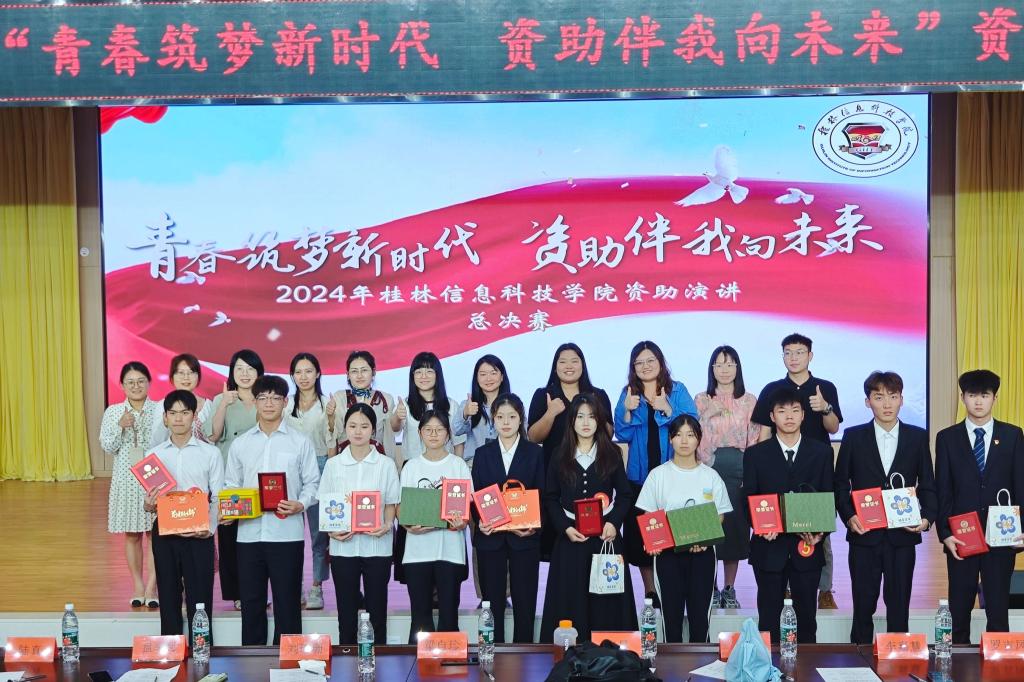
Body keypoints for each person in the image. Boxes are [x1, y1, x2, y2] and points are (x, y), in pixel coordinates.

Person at [834, 371, 936, 644]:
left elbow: (928, 484)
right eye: (879, 397)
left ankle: (899, 660)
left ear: (902, 399)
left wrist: (926, 519)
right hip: (864, 536)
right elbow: (840, 484)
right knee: (862, 606)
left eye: (893, 396)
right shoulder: (854, 436)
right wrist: (849, 516)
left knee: (899, 606)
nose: (887, 404)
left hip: (902, 537)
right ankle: (859, 659)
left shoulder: (917, 437)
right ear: (868, 402)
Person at [222, 375, 320, 646]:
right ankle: (252, 660)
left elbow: (313, 483)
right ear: (254, 402)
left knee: (287, 603)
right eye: (263, 398)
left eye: (275, 398)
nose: (268, 403)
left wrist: (301, 503)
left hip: (286, 534)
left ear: (285, 402)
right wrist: (232, 507)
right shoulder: (241, 444)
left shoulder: (300, 442)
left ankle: (289, 661)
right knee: (251, 602)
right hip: (249, 535)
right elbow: (231, 485)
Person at [751, 333, 842, 609]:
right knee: (778, 531)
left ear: (810, 356)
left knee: (817, 535)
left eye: (799, 352)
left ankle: (824, 590)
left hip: (814, 469)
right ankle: (786, 588)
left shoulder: (825, 387)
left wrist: (824, 407)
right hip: (779, 467)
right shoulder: (772, 389)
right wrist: (760, 464)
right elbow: (764, 433)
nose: (794, 358)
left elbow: (833, 428)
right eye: (788, 353)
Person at [935, 369, 1024, 644]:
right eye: (972, 395)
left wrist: (1022, 529)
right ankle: (955, 662)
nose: (978, 401)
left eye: (984, 395)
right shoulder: (947, 438)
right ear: (962, 397)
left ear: (995, 398)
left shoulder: (1013, 435)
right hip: (962, 537)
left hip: (1002, 537)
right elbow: (943, 490)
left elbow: (1020, 485)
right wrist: (945, 533)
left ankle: (999, 663)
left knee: (998, 610)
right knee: (959, 608)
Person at [541, 394, 638, 642]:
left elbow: (625, 495)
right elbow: (550, 497)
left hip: (605, 538)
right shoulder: (559, 454)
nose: (586, 423)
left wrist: (613, 523)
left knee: (607, 602)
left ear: (600, 421)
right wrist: (564, 528)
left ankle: (609, 653)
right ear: (571, 421)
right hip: (570, 538)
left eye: (592, 417)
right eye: (580, 416)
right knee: (570, 600)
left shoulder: (612, 453)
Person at [744, 388, 834, 643]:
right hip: (769, 548)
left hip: (806, 546)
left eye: (795, 410)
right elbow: (748, 498)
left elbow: (828, 495)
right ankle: (767, 666)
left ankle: (806, 666)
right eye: (782, 411)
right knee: (768, 619)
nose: (789, 416)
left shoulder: (821, 452)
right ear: (772, 417)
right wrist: (760, 526)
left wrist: (821, 532)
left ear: (804, 415)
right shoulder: (756, 454)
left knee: (806, 621)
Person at [613, 340, 697, 605]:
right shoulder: (629, 393)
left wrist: (667, 408)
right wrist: (627, 409)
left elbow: (692, 425)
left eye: (650, 360)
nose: (645, 366)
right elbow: (622, 433)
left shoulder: (677, 390)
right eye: (639, 362)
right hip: (639, 478)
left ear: (661, 362)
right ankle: (651, 591)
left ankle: (675, 588)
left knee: (674, 534)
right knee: (641, 538)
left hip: (674, 476)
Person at [636, 414, 732, 643]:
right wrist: (653, 541)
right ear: (670, 439)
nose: (685, 441)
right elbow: (649, 516)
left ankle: (703, 665)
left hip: (702, 555)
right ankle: (672, 665)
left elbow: (720, 515)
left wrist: (703, 538)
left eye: (690, 435)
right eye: (678, 435)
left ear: (699, 439)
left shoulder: (711, 476)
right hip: (668, 556)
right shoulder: (658, 475)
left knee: (700, 621)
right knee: (671, 620)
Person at [144, 390, 223, 642]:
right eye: (173, 413)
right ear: (165, 418)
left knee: (201, 598)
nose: (179, 418)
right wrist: (148, 505)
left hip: (199, 534)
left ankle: (202, 650)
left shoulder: (210, 453)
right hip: (165, 533)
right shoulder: (153, 456)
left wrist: (209, 529)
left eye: (185, 413)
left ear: (194, 416)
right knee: (168, 595)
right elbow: (148, 501)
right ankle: (171, 650)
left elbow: (218, 497)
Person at [319, 403, 400, 645]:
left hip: (378, 547)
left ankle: (379, 658)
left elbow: (391, 502)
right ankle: (346, 657)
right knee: (346, 612)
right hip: (343, 548)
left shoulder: (385, 464)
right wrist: (331, 531)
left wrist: (387, 524)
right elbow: (326, 503)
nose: (358, 431)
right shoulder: (334, 464)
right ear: (345, 428)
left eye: (364, 426)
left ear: (373, 430)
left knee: (377, 610)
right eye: (352, 426)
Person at [527, 343, 613, 561]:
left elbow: (609, 434)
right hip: (556, 477)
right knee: (558, 543)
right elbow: (533, 437)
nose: (569, 366)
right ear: (555, 366)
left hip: (593, 475)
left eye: (574, 361)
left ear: (582, 365)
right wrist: (551, 413)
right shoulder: (544, 395)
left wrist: (595, 411)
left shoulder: (598, 394)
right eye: (563, 361)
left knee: (592, 540)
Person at [472, 393, 546, 643]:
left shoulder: (534, 453)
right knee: (492, 603)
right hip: (491, 539)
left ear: (521, 419)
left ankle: (524, 651)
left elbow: (542, 494)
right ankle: (493, 652)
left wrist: (533, 526)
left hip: (524, 537)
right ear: (493, 419)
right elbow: (477, 496)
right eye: (500, 417)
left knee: (525, 600)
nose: (506, 422)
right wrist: (481, 521)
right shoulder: (483, 454)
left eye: (512, 417)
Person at [694, 345, 759, 610]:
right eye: (719, 364)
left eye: (730, 364)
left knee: (734, 526)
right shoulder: (702, 399)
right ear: (712, 369)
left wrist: (749, 472)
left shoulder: (749, 400)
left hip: (739, 467)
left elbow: (754, 437)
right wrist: (707, 414)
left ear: (737, 368)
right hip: (707, 465)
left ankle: (730, 588)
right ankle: (710, 588)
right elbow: (693, 434)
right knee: (709, 526)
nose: (724, 369)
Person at [400, 410, 473, 642]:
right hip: (417, 552)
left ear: (448, 434)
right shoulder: (411, 466)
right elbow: (402, 507)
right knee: (420, 618)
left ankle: (450, 661)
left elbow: (467, 506)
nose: (434, 434)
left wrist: (462, 521)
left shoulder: (458, 465)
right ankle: (418, 661)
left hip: (450, 551)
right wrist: (408, 525)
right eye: (428, 430)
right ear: (420, 433)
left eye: (439, 430)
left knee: (449, 616)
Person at [100, 361, 163, 608]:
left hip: (155, 478)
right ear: (122, 385)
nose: (136, 386)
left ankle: (152, 587)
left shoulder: (159, 410)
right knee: (132, 535)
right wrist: (120, 426)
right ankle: (137, 586)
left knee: (156, 535)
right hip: (126, 480)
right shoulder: (114, 412)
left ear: (149, 382)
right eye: (130, 382)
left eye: (140, 381)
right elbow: (108, 446)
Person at [205, 348, 264, 609]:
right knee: (229, 535)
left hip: (258, 476)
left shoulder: (265, 399)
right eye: (239, 368)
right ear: (231, 372)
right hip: (230, 478)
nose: (245, 373)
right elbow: (213, 435)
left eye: (250, 368)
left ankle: (258, 589)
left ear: (259, 372)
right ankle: (237, 593)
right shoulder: (222, 399)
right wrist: (223, 405)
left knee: (257, 536)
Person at [284, 352, 333, 611]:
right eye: (298, 372)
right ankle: (295, 585)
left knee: (318, 533)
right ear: (292, 376)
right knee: (290, 532)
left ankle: (316, 586)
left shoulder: (327, 404)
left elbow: (332, 440)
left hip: (321, 465)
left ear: (318, 373)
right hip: (291, 471)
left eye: (309, 371)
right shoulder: (285, 405)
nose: (303, 377)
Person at [325, 350, 399, 466]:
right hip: (346, 462)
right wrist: (330, 416)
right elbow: (333, 436)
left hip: (376, 463)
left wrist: (391, 467)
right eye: (354, 371)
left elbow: (389, 439)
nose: (359, 376)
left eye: (364, 370)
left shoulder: (386, 399)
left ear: (373, 372)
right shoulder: (339, 397)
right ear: (348, 375)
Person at [391, 351, 465, 461]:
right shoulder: (405, 404)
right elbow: (395, 427)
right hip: (414, 465)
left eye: (429, 371)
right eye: (418, 372)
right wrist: (398, 416)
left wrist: (458, 466)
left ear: (437, 375)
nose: (423, 376)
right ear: (412, 376)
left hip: (445, 466)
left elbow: (458, 442)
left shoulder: (451, 405)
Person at [455, 354, 511, 467]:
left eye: (493, 373)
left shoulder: (512, 405)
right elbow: (456, 430)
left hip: (505, 464)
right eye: (483, 374)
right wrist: (465, 414)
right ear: (476, 378)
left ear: (502, 377)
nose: (488, 378)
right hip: (475, 464)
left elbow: (523, 434)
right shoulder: (469, 404)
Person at [168, 353, 214, 442]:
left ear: (198, 376)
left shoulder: (208, 405)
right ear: (172, 376)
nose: (186, 377)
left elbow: (214, 439)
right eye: (181, 373)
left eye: (191, 372)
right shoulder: (163, 405)